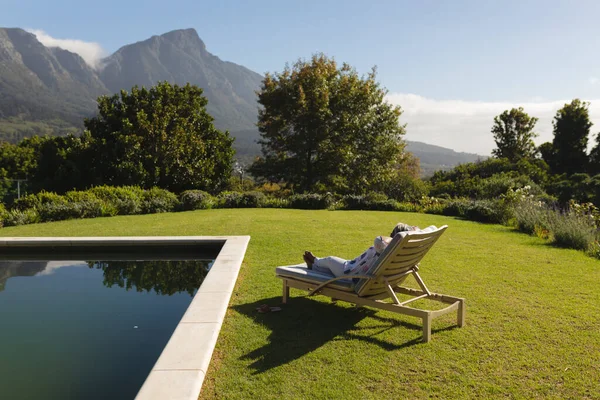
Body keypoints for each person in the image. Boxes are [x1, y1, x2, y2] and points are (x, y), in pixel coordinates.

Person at [303, 222, 418, 278]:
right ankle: (313, 266)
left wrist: (395, 238)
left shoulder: (384, 247)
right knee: (331, 268)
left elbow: (379, 240)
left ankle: (315, 261)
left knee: (329, 260)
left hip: (352, 273)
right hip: (356, 268)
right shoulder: (404, 252)